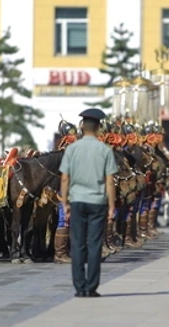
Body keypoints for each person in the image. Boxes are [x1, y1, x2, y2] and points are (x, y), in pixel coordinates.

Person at [59, 108, 118, 298]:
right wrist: (111, 206)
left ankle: (79, 287)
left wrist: (65, 203)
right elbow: (110, 180)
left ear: (82, 127)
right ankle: (91, 288)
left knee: (77, 244)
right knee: (94, 244)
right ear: (99, 127)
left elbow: (65, 178)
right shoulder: (105, 150)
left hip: (77, 201)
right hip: (98, 202)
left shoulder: (72, 149)